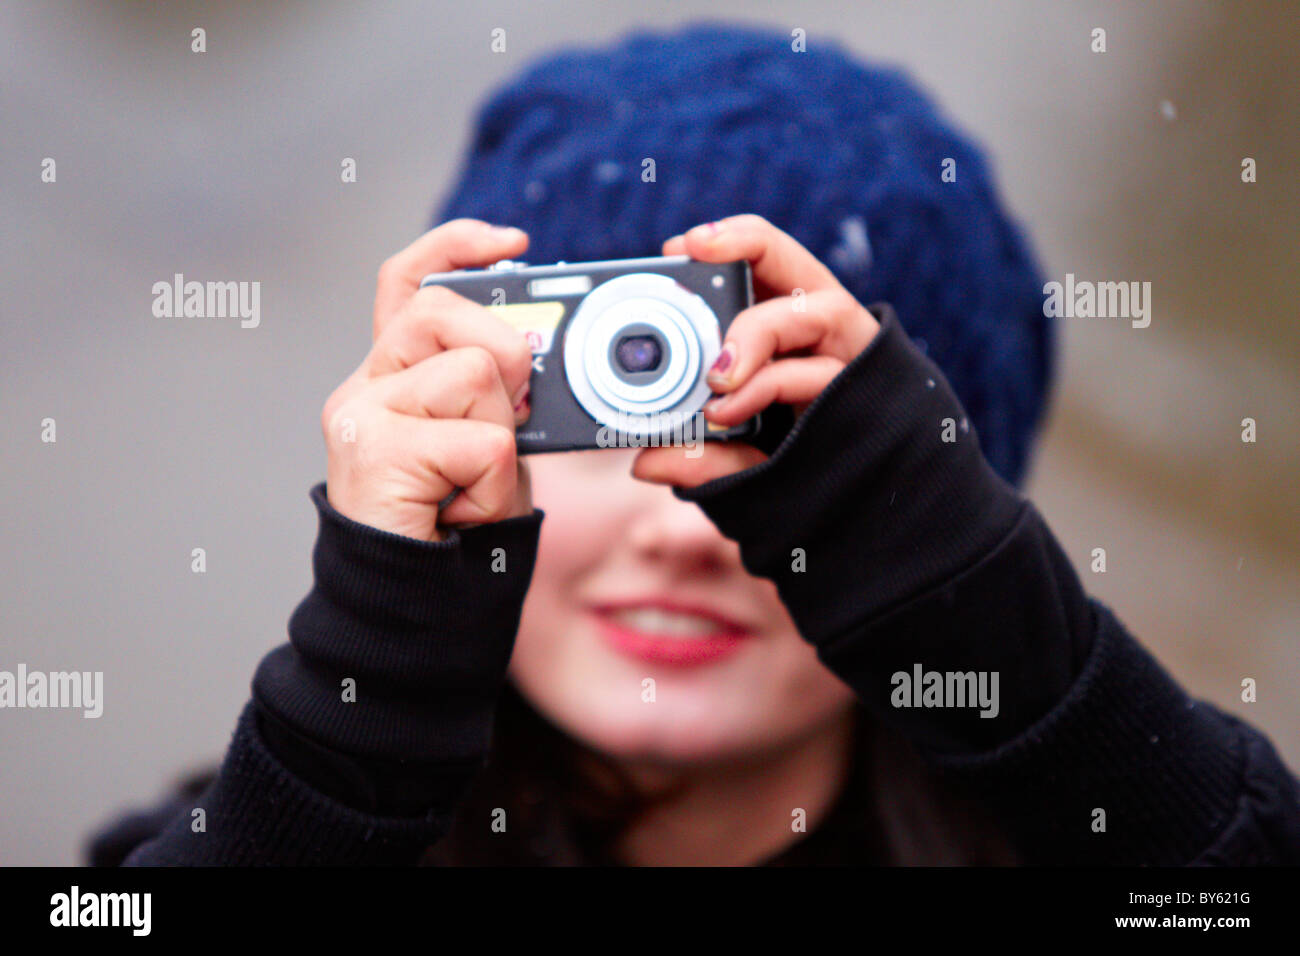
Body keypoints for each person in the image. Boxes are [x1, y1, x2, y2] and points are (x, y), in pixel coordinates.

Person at [90, 22, 1300, 867]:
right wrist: (349, 726)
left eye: (784, 437)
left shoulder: (1113, 837)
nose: (681, 526)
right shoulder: (260, 822)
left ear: (931, 509)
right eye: (613, 402)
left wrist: (1018, 667)